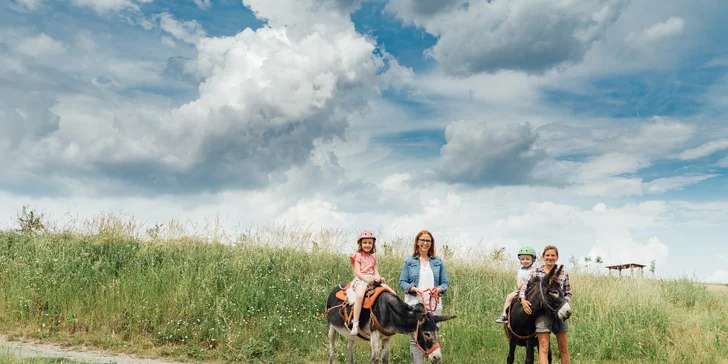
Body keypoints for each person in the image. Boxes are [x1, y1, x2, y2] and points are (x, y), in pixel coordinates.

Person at [399, 230, 450, 364]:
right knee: (414, 340)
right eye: (422, 240)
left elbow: (445, 283)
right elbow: (402, 282)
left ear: (431, 243)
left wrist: (438, 289)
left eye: (428, 241)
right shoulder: (409, 261)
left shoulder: (438, 261)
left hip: (434, 306)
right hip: (414, 306)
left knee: (433, 337)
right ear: (417, 241)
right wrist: (413, 289)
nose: (425, 243)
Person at [519, 245, 572, 364]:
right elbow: (525, 287)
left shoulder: (563, 273)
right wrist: (522, 300)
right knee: (543, 348)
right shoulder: (536, 271)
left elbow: (568, 293)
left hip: (559, 312)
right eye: (547, 255)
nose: (550, 257)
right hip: (543, 313)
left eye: (553, 255)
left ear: (557, 257)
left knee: (563, 348)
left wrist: (564, 304)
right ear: (543, 257)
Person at [349, 230, 385, 336]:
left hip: (372, 279)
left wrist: (380, 278)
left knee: (389, 291)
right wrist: (366, 279)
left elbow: (376, 272)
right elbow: (358, 272)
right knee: (360, 296)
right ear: (360, 244)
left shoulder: (373, 257)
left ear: (373, 244)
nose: (367, 245)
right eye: (365, 243)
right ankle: (355, 323)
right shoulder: (358, 256)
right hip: (361, 279)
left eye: (370, 243)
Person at [495, 246, 537, 323]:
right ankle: (504, 315)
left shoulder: (534, 270)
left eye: (527, 259)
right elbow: (519, 278)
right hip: (521, 290)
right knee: (509, 296)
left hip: (531, 290)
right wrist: (519, 285)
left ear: (533, 260)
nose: (525, 261)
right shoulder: (520, 270)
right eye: (523, 259)